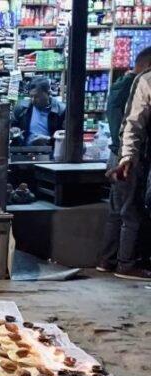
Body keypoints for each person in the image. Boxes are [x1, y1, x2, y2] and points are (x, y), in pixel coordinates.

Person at [105, 46, 151, 280]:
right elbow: (131, 125)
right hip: (129, 157)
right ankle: (126, 263)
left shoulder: (120, 86)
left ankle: (109, 260)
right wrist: (129, 156)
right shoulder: (140, 83)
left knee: (118, 212)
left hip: (120, 154)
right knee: (131, 212)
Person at [11, 77, 66, 146]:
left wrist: (49, 140)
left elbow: (66, 136)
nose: (33, 100)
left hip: (51, 150)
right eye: (31, 96)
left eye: (37, 97)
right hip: (24, 150)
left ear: (48, 93)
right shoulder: (22, 108)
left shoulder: (61, 111)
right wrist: (14, 131)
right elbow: (11, 127)